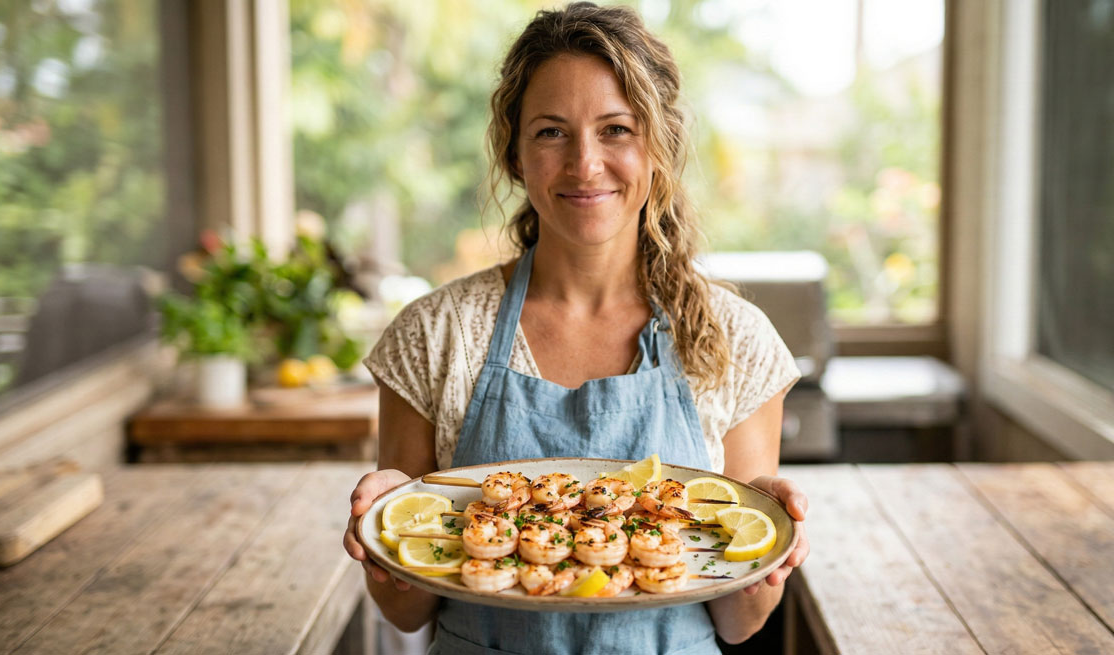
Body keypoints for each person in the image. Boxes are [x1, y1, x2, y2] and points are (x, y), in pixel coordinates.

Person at [343, 3, 811, 653]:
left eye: (616, 129)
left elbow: (739, 621)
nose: (585, 164)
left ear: (659, 145)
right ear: (514, 153)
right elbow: (407, 610)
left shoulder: (737, 339)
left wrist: (769, 553)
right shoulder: (433, 335)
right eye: (551, 132)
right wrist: (382, 536)